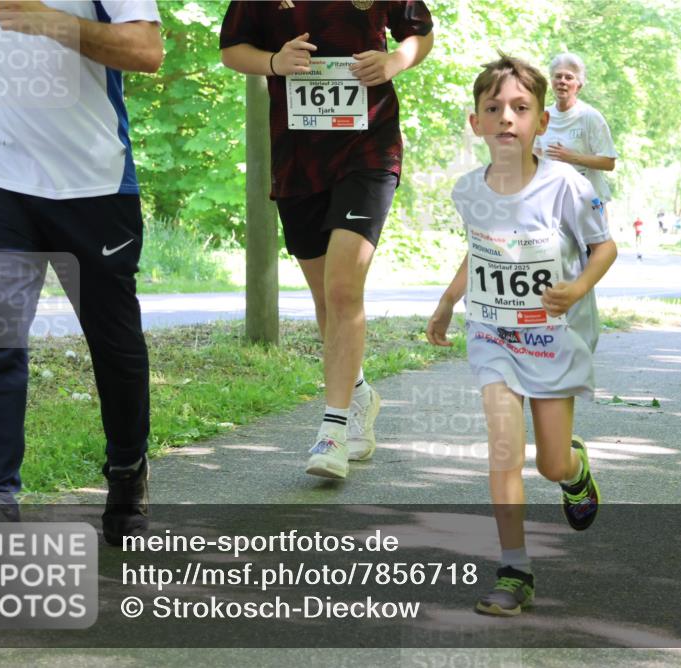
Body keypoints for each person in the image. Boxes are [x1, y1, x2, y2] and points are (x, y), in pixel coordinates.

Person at [0, 0, 164, 556]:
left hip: (94, 183)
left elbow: (146, 49)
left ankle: (127, 477)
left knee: (114, 345)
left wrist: (54, 22)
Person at [426, 54, 617, 617]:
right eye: (494, 108)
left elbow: (604, 246)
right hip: (494, 335)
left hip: (553, 336)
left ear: (540, 122)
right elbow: (481, 249)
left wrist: (577, 288)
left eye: (520, 108)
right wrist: (446, 302)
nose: (506, 117)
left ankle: (575, 472)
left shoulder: (567, 186)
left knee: (549, 464)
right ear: (476, 122)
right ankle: (515, 569)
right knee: (504, 448)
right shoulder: (469, 190)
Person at [219, 1, 434, 478]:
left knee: (342, 289)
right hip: (298, 157)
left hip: (368, 147)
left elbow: (419, 33)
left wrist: (396, 60)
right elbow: (232, 50)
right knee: (325, 297)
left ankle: (333, 430)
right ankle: (358, 393)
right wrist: (274, 62)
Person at [534, 52, 617, 223]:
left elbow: (609, 162)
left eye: (569, 77)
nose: (562, 81)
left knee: (592, 251)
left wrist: (571, 157)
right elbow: (535, 157)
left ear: (578, 85)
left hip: (589, 203)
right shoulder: (542, 117)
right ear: (552, 81)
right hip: (553, 205)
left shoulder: (590, 117)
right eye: (558, 76)